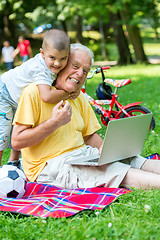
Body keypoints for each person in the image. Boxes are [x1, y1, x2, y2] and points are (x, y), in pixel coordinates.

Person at [11, 43, 160, 190]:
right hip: (49, 166)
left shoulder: (78, 96)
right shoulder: (34, 92)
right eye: (75, 66)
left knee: (134, 160)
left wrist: (104, 149)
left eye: (85, 70)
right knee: (114, 171)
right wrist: (54, 122)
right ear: (62, 64)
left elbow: (89, 137)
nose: (80, 74)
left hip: (81, 155)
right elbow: (17, 141)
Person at [0, 29, 79, 166]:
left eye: (63, 58)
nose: (57, 64)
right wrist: (68, 93)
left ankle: (13, 162)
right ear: (42, 54)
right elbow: (46, 96)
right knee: (2, 134)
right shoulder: (41, 69)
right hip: (4, 94)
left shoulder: (51, 65)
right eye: (52, 58)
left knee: (20, 127)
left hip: (15, 97)